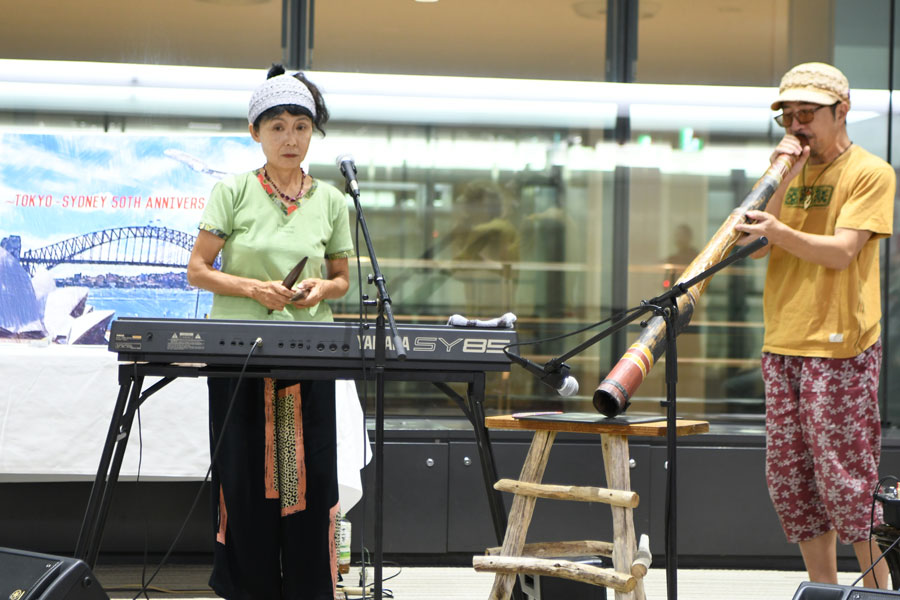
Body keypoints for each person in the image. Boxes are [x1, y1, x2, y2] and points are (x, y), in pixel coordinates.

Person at [187, 64, 353, 599]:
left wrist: (318, 292)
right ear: (255, 132)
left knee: (302, 474)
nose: (290, 138)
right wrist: (253, 289)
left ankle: (306, 588)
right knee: (245, 471)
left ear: (313, 133)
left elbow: (342, 279)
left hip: (308, 352)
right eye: (277, 126)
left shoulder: (332, 200)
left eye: (301, 126)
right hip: (240, 352)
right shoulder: (232, 191)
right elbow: (198, 270)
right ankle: (249, 587)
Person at [735, 62, 895, 589]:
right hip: (782, 343)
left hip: (840, 347)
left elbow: (844, 252)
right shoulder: (788, 172)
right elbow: (751, 244)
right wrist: (776, 176)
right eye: (788, 116)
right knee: (793, 483)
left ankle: (879, 592)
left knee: (847, 481)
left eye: (808, 114)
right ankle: (824, 591)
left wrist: (778, 230)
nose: (796, 126)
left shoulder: (870, 172)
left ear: (841, 111)